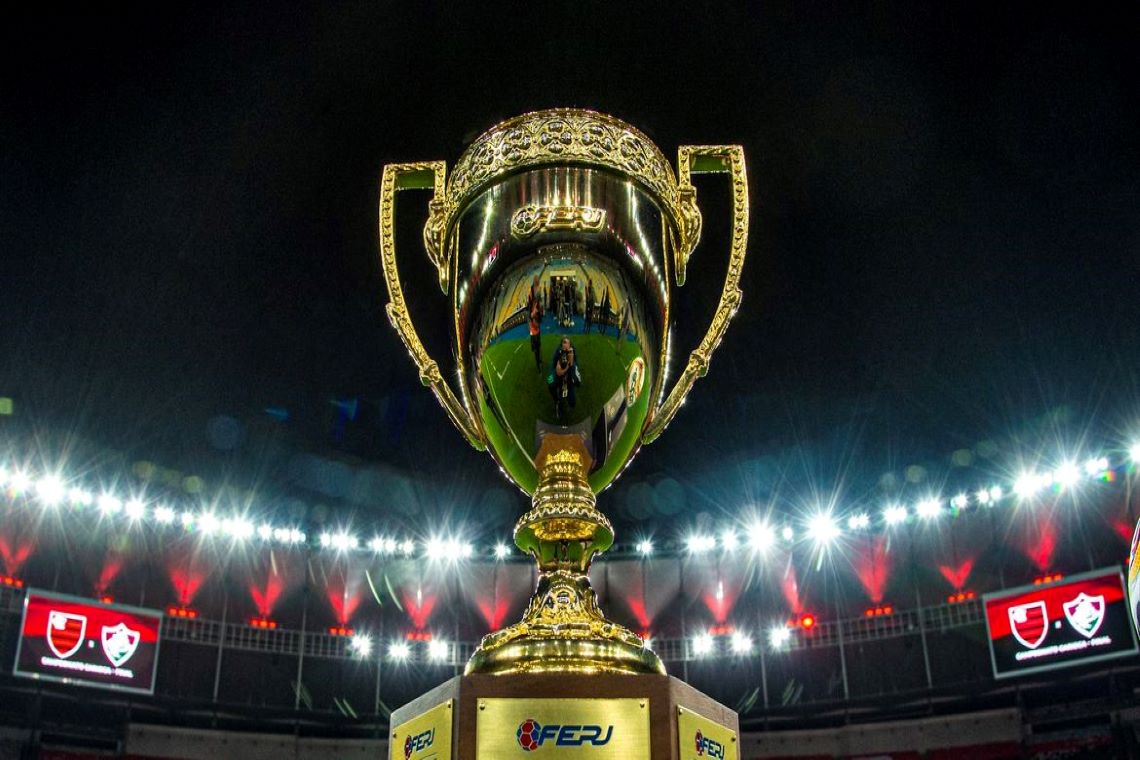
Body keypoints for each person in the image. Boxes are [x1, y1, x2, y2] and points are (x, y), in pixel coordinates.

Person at [548, 336, 581, 422]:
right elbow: (554, 365)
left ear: (570, 345)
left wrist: (571, 365)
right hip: (558, 376)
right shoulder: (558, 352)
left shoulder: (572, 353)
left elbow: (578, 380)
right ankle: (557, 401)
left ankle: (564, 398)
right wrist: (556, 371)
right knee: (550, 383)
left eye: (567, 343)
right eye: (564, 342)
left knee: (572, 402)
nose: (565, 345)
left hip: (568, 379)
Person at [527, 276, 542, 371]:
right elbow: (529, 314)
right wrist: (532, 315)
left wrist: (538, 314)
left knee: (539, 345)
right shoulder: (531, 294)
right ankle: (538, 365)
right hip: (533, 329)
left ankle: (539, 360)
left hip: (537, 327)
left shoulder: (537, 302)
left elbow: (538, 314)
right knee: (536, 348)